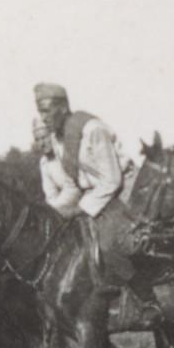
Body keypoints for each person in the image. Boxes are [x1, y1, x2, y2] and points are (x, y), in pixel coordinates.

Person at [32, 83, 137, 282]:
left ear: (63, 107)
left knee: (109, 246)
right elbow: (72, 184)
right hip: (98, 196)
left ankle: (142, 294)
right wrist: (52, 212)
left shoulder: (92, 129)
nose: (43, 118)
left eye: (46, 110)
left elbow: (111, 180)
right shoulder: (57, 138)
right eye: (40, 112)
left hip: (125, 190)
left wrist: (79, 209)